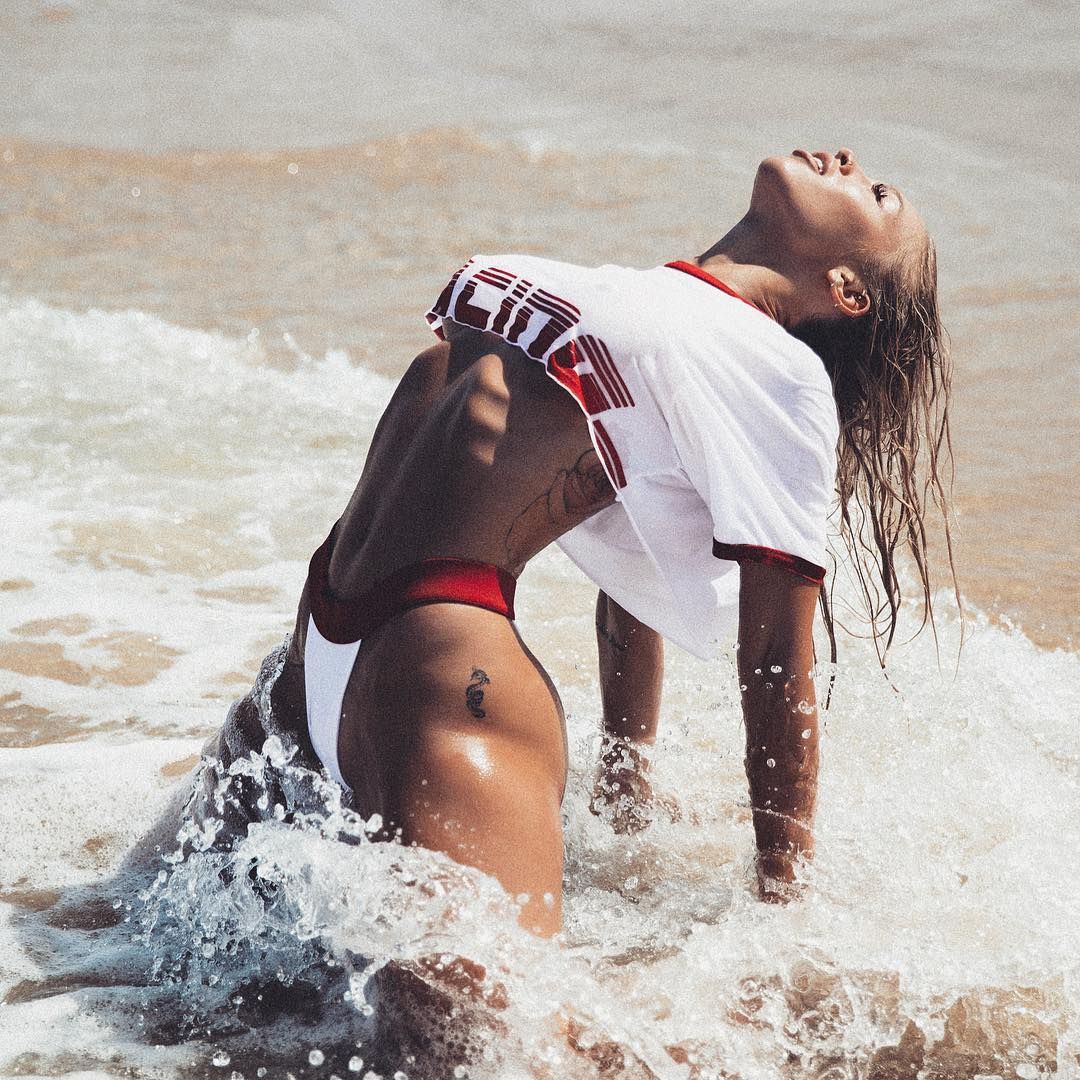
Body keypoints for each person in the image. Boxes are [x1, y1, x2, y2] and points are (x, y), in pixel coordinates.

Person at [183, 146, 955, 942]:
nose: (848, 161)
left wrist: (784, 919)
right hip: (313, 654)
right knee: (148, 956)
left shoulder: (778, 375)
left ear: (848, 290)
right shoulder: (643, 300)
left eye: (879, 193)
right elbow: (637, 564)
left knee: (492, 1024)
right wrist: (624, 780)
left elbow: (777, 662)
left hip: (448, 677)